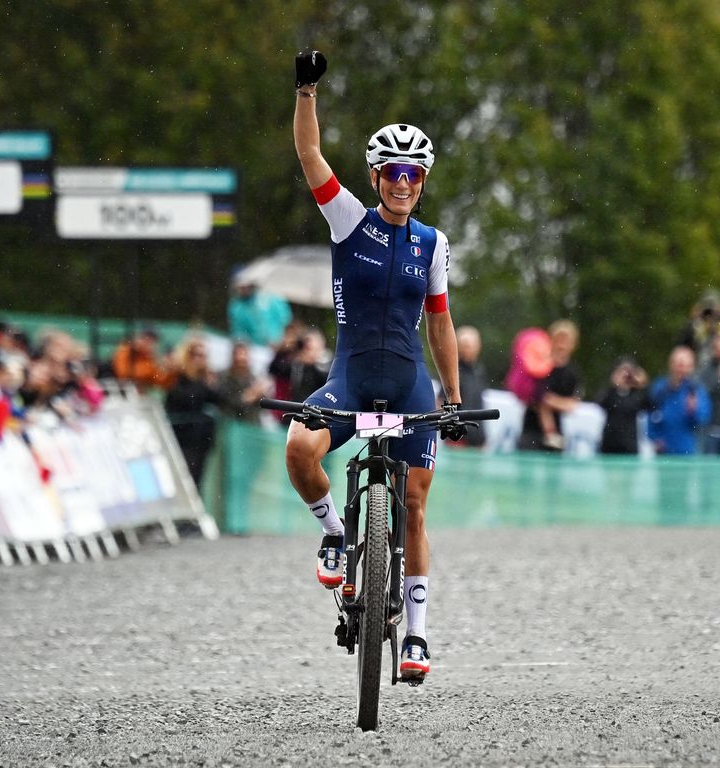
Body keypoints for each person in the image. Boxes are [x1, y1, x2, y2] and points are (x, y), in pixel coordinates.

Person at [288, 49, 462, 683]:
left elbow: (439, 321)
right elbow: (311, 158)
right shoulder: (349, 221)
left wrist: (452, 395)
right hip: (352, 379)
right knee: (299, 449)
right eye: (393, 171)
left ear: (423, 180)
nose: (403, 182)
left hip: (410, 386)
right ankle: (336, 532)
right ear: (375, 175)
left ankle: (415, 635)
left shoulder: (433, 243)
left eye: (413, 174)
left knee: (415, 503)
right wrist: (307, 90)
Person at [164, 338, 223, 489]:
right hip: (181, 439)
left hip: (200, 441)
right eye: (196, 355)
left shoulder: (204, 380)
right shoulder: (178, 378)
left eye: (203, 356)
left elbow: (220, 398)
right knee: (181, 482)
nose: (200, 360)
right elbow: (185, 398)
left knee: (196, 482)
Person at [517, 320, 582, 452]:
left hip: (556, 436)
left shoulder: (572, 372)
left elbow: (572, 404)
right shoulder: (538, 365)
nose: (562, 345)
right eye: (559, 339)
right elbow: (528, 395)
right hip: (531, 431)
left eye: (566, 341)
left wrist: (549, 401)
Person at [647, 346, 712, 456]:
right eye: (678, 364)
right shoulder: (660, 387)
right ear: (671, 364)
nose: (680, 369)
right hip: (663, 451)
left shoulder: (696, 390)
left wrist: (693, 410)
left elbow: (704, 419)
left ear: (691, 367)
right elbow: (649, 415)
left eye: (685, 365)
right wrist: (654, 437)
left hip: (687, 451)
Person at [597, 357, 650, 455]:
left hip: (629, 446)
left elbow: (649, 404)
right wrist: (615, 384)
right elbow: (600, 402)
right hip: (609, 445)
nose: (626, 375)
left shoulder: (636, 395)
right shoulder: (611, 393)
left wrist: (642, 384)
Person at [227, 272, 292, 348]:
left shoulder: (271, 296)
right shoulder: (235, 307)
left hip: (279, 345)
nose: (243, 289)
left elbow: (286, 320)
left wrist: (281, 341)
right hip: (256, 349)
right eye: (240, 287)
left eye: (245, 285)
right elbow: (238, 332)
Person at [453, 325, 488, 448]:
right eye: (465, 346)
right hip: (459, 439)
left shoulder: (479, 371)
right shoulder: (453, 371)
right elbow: (443, 402)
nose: (468, 350)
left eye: (471, 346)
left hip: (478, 438)